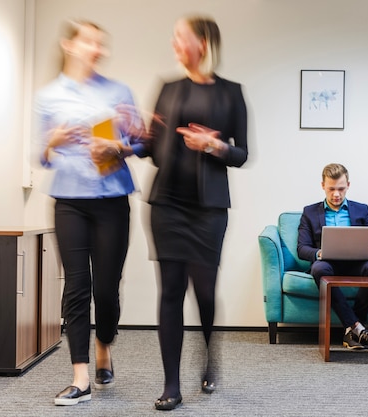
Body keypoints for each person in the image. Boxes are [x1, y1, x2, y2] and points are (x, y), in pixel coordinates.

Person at [34, 20, 147, 406]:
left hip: (113, 200)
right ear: (70, 45)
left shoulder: (118, 91)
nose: (96, 49)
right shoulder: (48, 96)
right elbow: (41, 156)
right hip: (69, 201)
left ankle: (104, 347)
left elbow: (139, 143)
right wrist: (53, 140)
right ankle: (80, 375)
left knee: (106, 290)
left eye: (101, 43)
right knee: (77, 287)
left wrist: (120, 145)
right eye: (89, 41)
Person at [145, 15, 248, 411]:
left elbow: (242, 153)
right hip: (167, 204)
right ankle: (172, 384)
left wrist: (214, 146)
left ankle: (209, 356)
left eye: (180, 37)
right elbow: (154, 150)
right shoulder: (167, 89)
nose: (174, 43)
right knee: (170, 291)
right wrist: (140, 137)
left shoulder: (231, 94)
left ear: (201, 44)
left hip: (208, 211)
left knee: (204, 291)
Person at [297, 163, 368, 350]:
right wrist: (319, 253)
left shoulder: (362, 210)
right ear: (323, 186)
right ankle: (359, 328)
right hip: (327, 265)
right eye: (331, 189)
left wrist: (362, 250)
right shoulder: (310, 212)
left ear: (348, 186)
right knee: (318, 268)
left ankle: (351, 330)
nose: (336, 194)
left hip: (356, 264)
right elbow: (302, 248)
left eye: (341, 189)